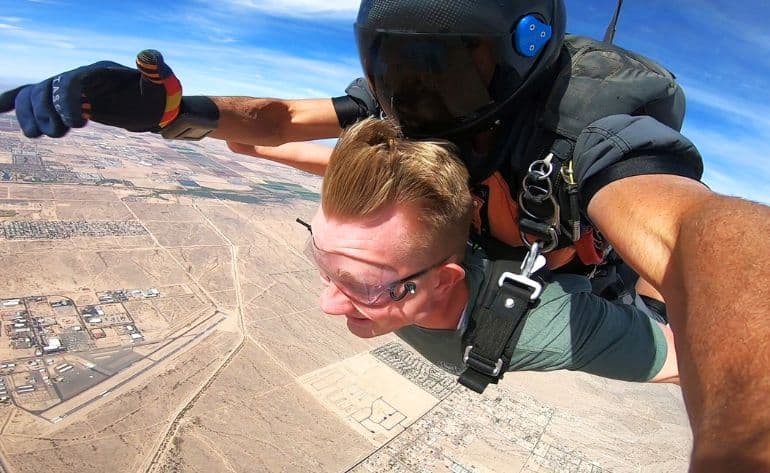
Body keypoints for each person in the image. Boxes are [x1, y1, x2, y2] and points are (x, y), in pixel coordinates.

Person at [0, 0, 768, 467]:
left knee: (603, 317)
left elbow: (702, 232)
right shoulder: (409, 105)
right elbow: (267, 126)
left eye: (444, 64)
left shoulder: (588, 141)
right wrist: (166, 112)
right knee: (277, 154)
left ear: (510, 57)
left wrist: (742, 442)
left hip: (558, 261)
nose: (418, 90)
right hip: (464, 222)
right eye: (400, 64)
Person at [306, 116, 678, 385]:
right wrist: (255, 144)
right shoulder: (401, 259)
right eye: (321, 260)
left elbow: (683, 363)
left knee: (659, 295)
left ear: (442, 282)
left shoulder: (543, 328)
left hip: (609, 289)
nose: (328, 303)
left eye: (364, 286)